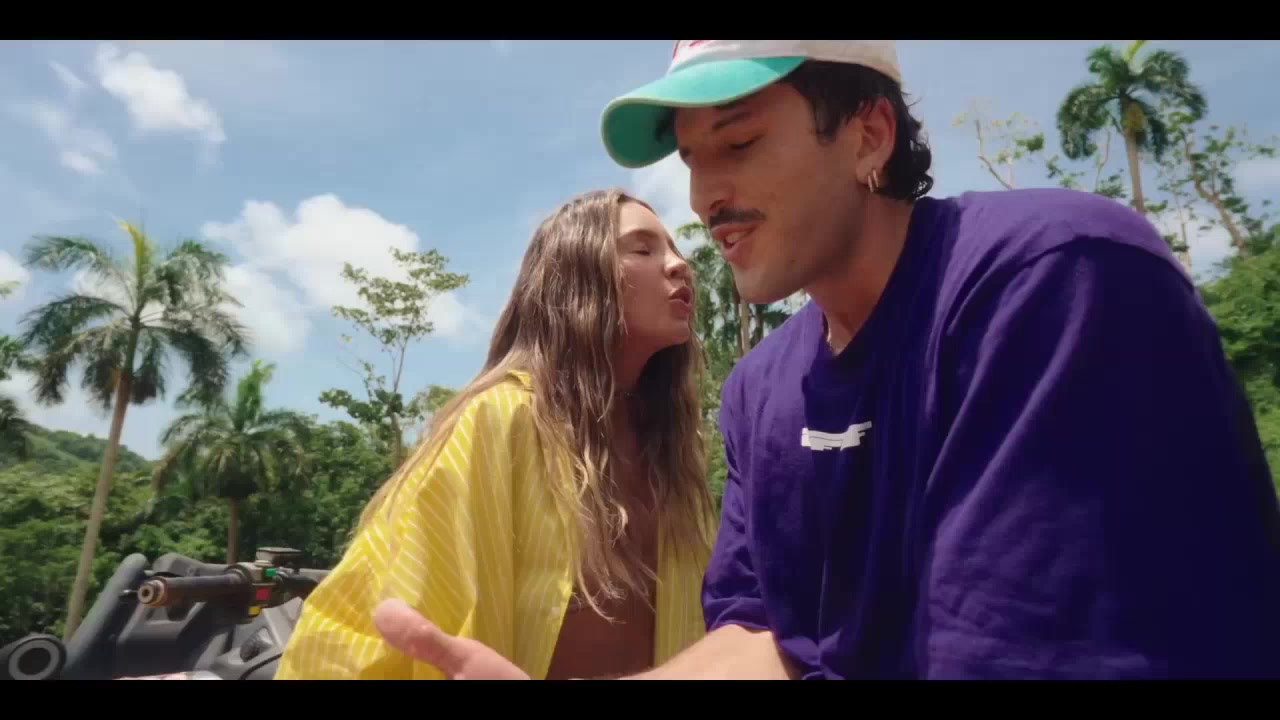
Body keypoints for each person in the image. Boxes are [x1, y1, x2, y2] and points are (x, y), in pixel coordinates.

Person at [368, 40, 1280, 679]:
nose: (706, 197)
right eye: (691, 160)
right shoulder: (761, 390)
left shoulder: (1047, 277)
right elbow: (764, 637)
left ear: (869, 136)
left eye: (739, 142)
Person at [274, 188, 718, 680]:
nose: (679, 265)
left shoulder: (674, 454)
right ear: (580, 277)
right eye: (643, 249)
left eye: (674, 249)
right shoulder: (503, 418)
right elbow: (374, 619)